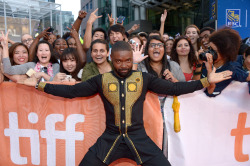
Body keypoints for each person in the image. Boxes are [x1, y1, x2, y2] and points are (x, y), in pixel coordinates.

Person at [17, 41, 232, 166]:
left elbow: (175, 89)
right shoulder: (101, 80)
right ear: (112, 59)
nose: (123, 65)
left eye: (127, 60)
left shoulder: (144, 78)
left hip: (139, 138)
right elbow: (73, 91)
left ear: (132, 59)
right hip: (110, 138)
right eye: (118, 61)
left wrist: (205, 81)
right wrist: (39, 85)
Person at [194, 28, 250, 97]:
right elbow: (195, 84)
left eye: (214, 51)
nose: (210, 53)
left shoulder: (231, 69)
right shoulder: (206, 61)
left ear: (225, 53)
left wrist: (209, 71)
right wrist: (199, 64)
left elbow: (209, 93)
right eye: (209, 48)